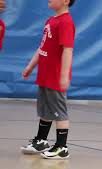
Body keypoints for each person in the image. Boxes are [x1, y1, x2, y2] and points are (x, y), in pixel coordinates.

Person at [20, 0, 76, 160]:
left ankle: (61, 147)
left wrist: (64, 76)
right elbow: (42, 47)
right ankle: (41, 140)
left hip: (56, 77)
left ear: (65, 1)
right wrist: (30, 66)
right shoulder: (51, 20)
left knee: (60, 113)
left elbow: (68, 50)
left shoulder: (66, 22)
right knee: (45, 111)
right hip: (44, 75)